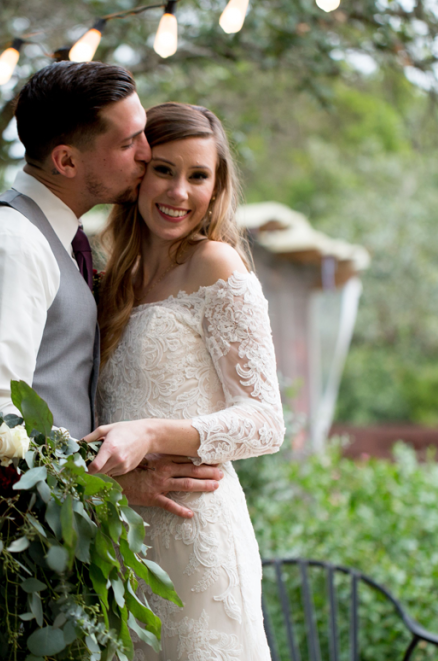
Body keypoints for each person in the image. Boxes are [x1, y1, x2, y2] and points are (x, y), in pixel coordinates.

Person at [0, 65, 224, 661]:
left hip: (33, 548)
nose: (147, 151)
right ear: (67, 162)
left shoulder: (62, 241)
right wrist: (111, 482)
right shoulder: (9, 245)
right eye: (128, 142)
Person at [89, 102, 285, 660]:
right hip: (121, 541)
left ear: (216, 187)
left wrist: (150, 434)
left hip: (197, 543)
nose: (179, 191)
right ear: (138, 172)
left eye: (198, 176)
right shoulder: (112, 282)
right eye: (165, 170)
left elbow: (265, 422)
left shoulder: (216, 264)